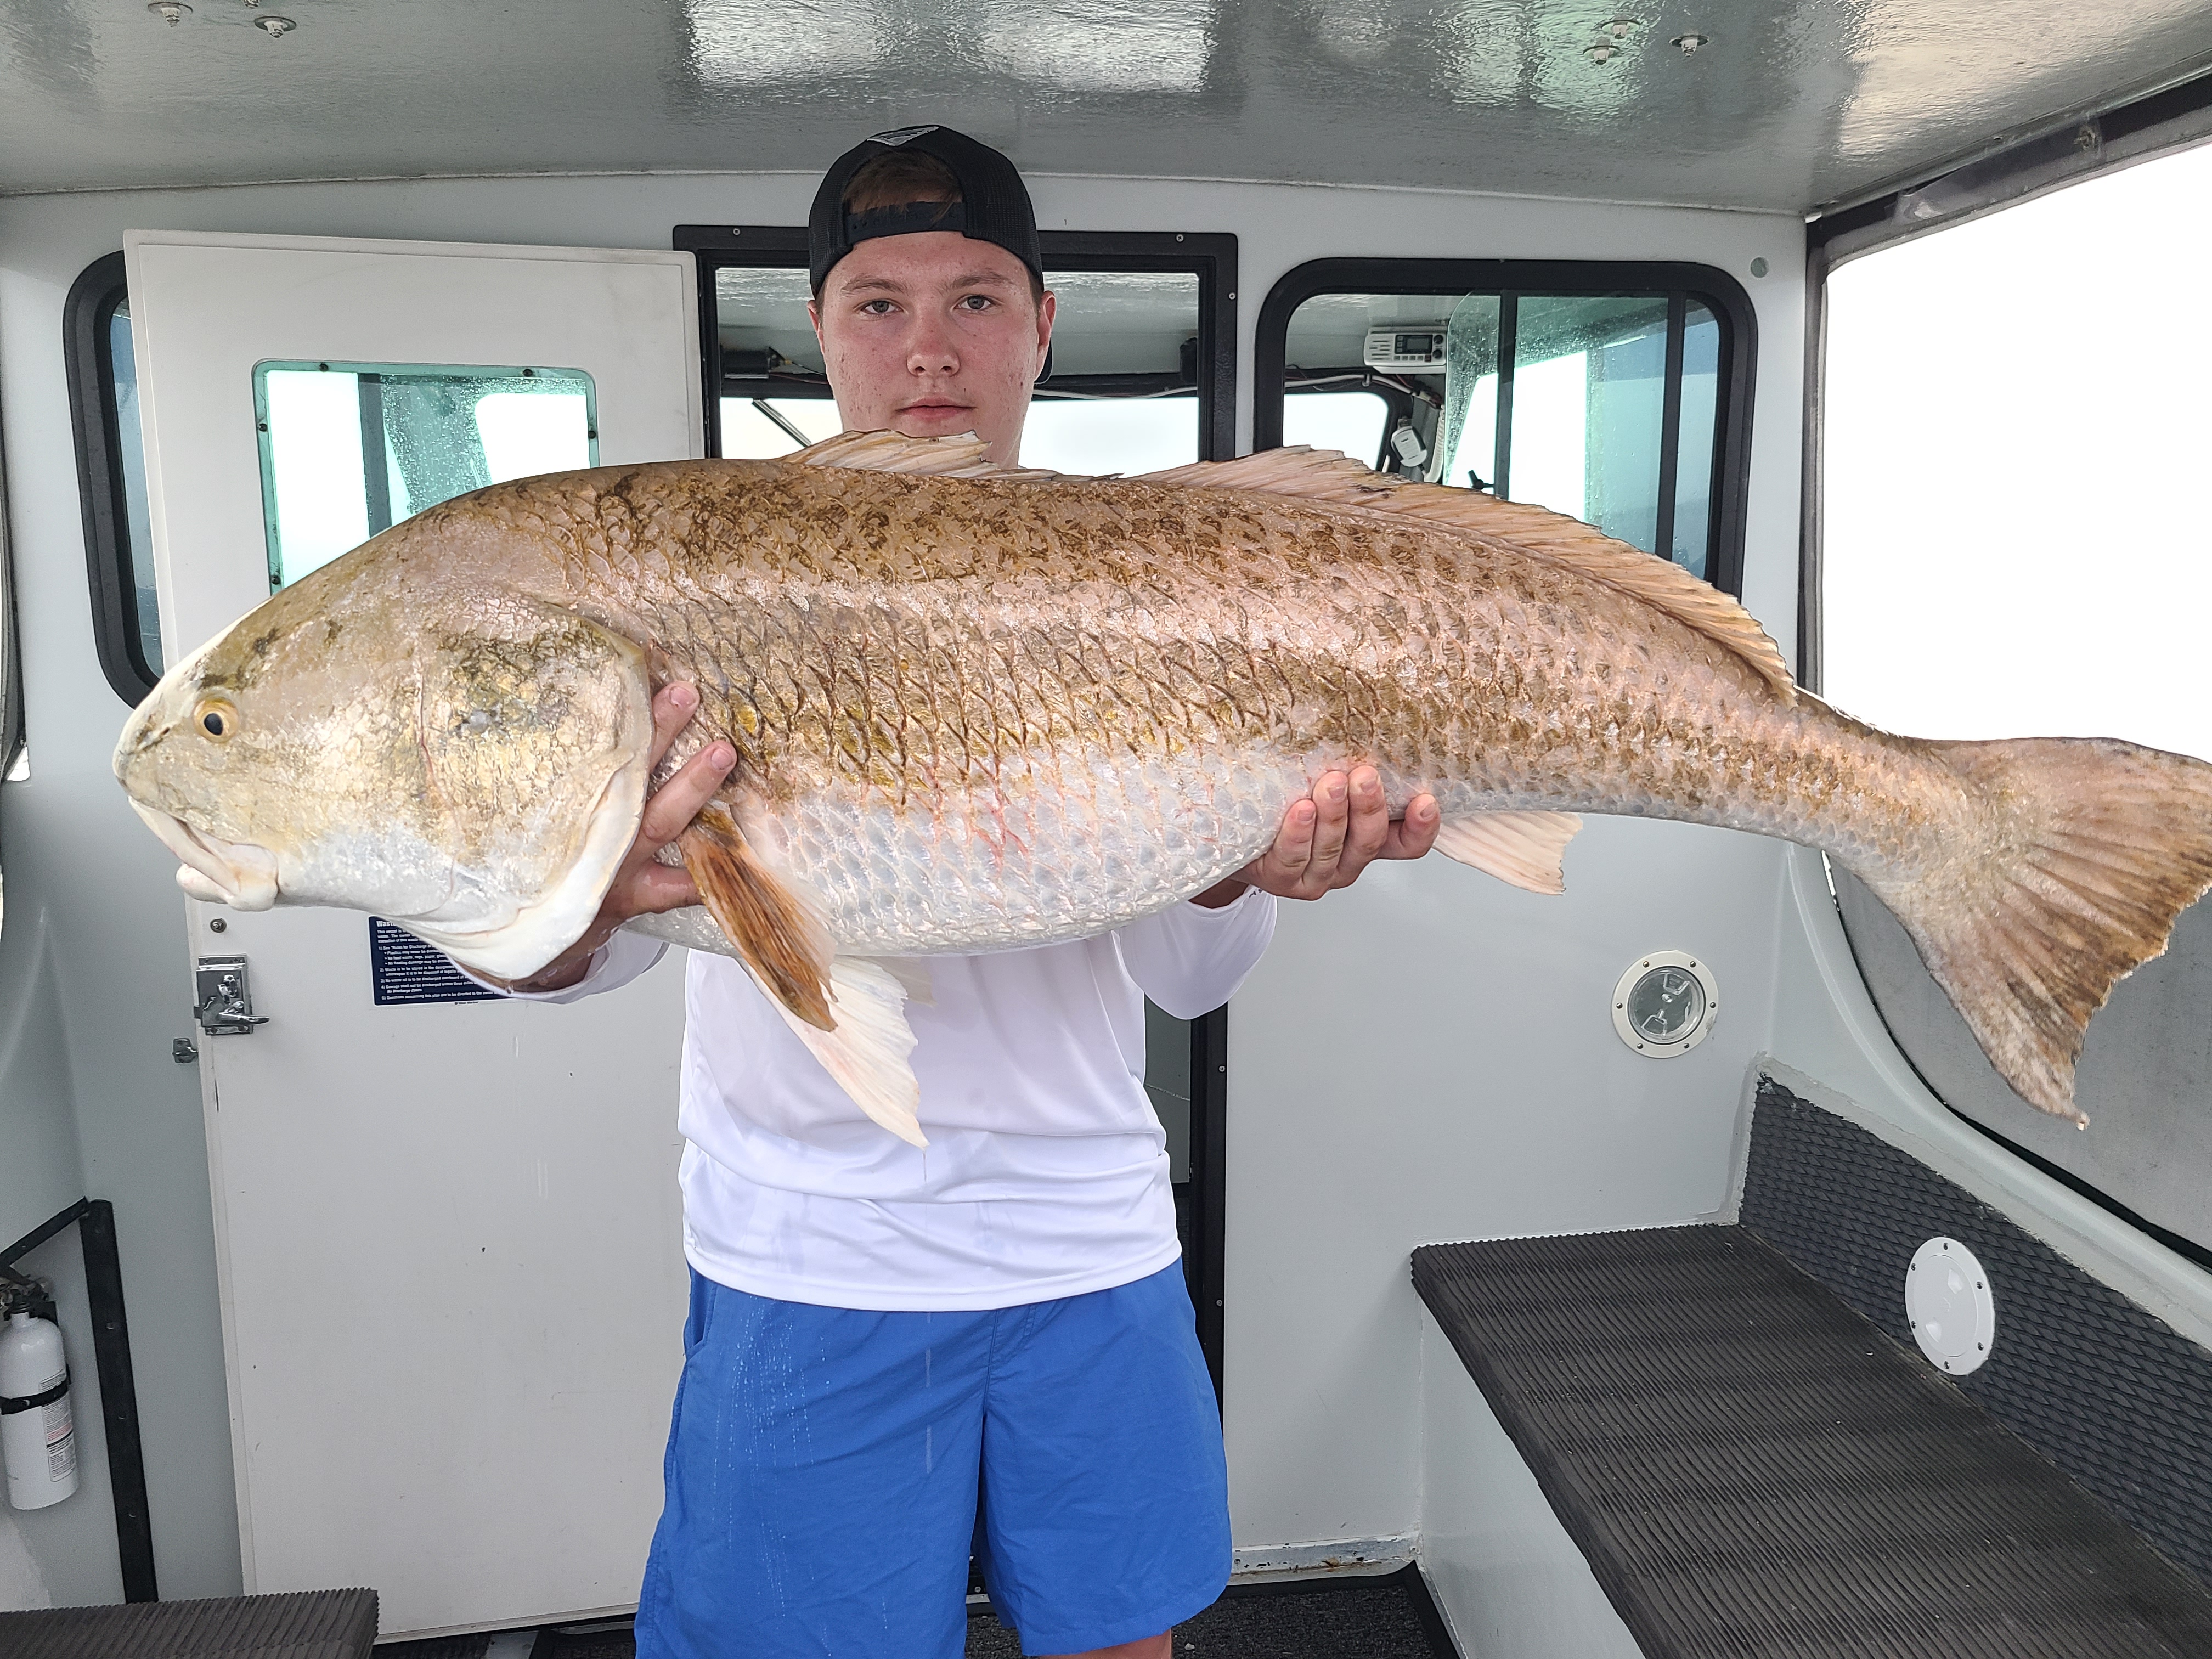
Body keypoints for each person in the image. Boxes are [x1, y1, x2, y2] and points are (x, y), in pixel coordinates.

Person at [486, 126, 1441, 1659]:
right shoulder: (697, 573)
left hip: (1090, 1244)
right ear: (819, 331)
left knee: (1127, 1647)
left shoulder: (1152, 585)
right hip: (809, 1261)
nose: (929, 348)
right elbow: (549, 966)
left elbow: (1192, 987)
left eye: (978, 299)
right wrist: (601, 889)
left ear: (1043, 325)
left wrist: (1251, 866)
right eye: (878, 303)